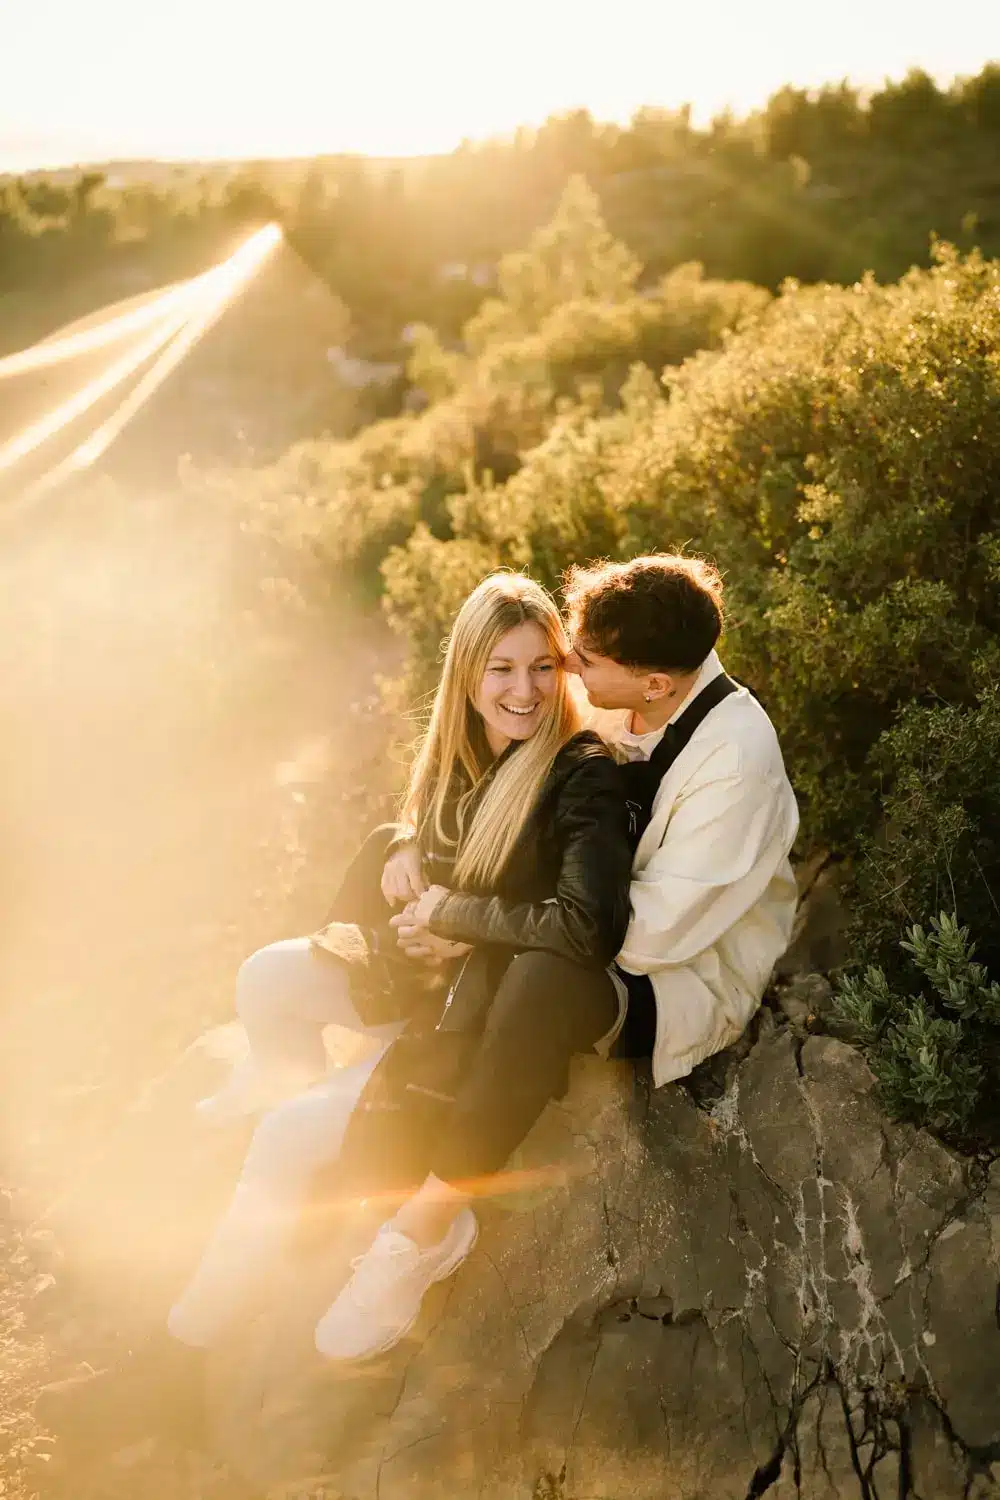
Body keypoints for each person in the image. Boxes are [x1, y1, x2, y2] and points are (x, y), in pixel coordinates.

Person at [311, 551, 799, 1362]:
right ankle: (384, 1103)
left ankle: (423, 1230)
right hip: (579, 922)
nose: (567, 666)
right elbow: (507, 788)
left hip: (677, 975)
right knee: (485, 936)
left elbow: (639, 941)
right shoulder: (629, 697)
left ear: (652, 684)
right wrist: (422, 857)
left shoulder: (737, 760)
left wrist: (474, 923)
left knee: (539, 978)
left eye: (586, 660)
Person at [163, 570, 633, 1359]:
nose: (526, 690)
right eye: (503, 669)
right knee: (265, 979)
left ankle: (193, 1337)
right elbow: (442, 832)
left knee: (285, 1139)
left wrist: (458, 927)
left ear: (564, 669)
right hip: (420, 984)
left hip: (465, 1019)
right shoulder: (459, 748)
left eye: (544, 667)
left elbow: (582, 926)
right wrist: (405, 843)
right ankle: (288, 1080)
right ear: (467, 674)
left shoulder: (580, 771)